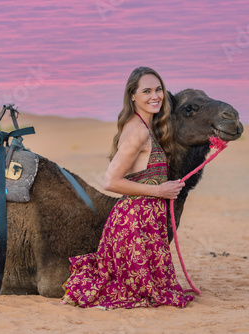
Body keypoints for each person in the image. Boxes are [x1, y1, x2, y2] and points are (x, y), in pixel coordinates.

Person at [61, 66, 195, 308]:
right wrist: (159, 190)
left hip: (146, 221)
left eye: (158, 89)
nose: (155, 96)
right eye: (147, 91)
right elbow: (111, 181)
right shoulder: (138, 132)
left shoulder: (145, 127)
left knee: (155, 291)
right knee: (138, 292)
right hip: (134, 223)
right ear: (133, 95)